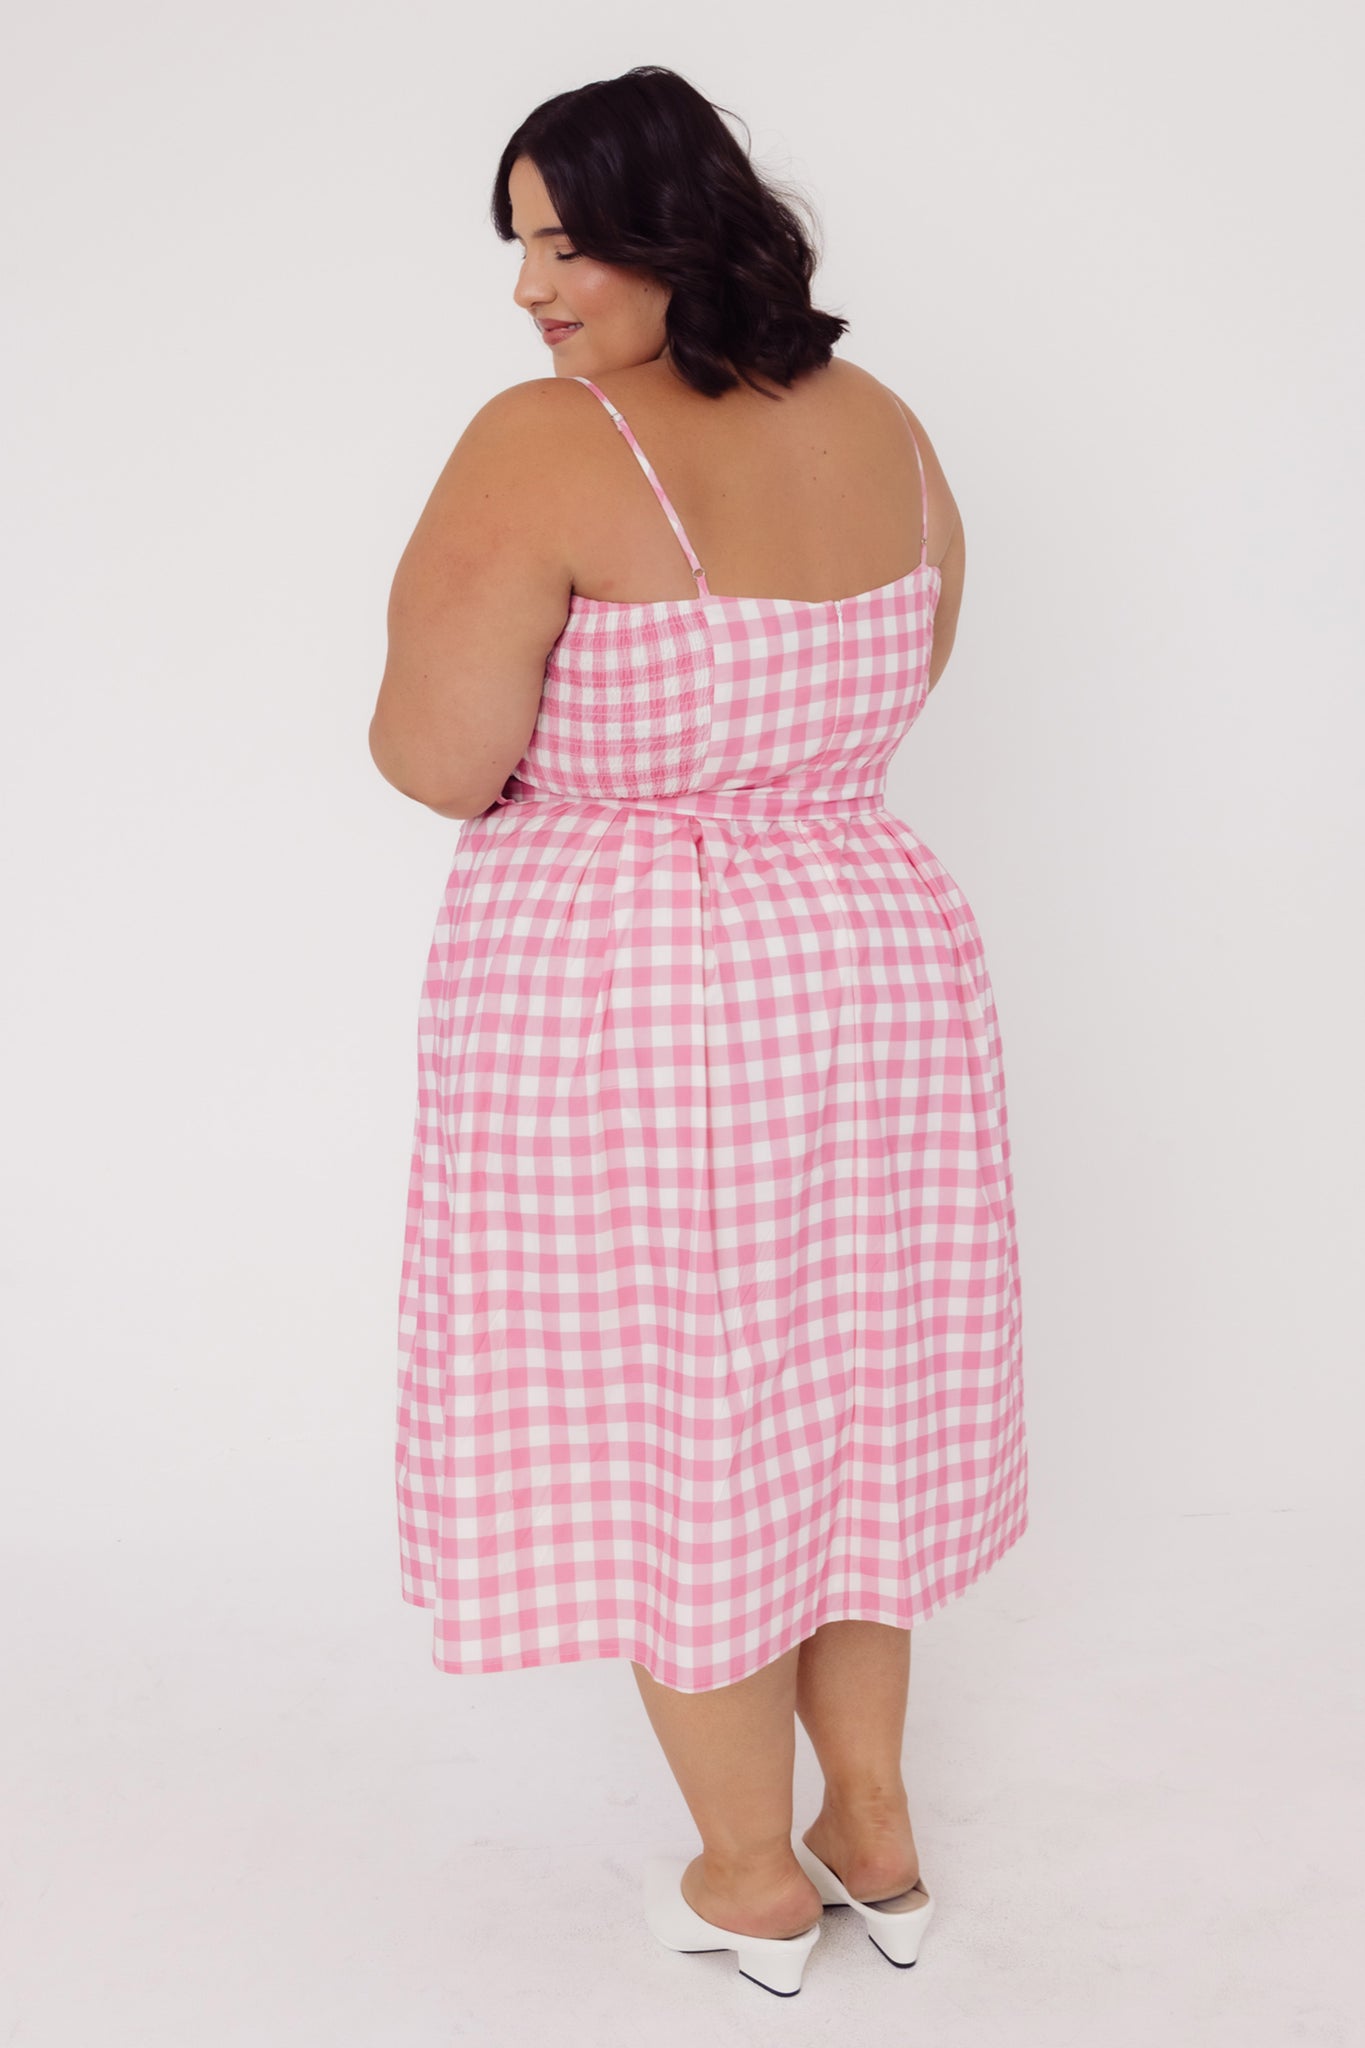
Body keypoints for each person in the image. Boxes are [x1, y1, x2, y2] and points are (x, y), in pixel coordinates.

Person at [368, 65, 1028, 1996]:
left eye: (565, 243)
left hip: (641, 993)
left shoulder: (543, 445)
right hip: (873, 959)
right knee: (852, 1399)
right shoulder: (885, 429)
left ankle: (748, 1875)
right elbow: (911, 662)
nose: (530, 292)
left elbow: (432, 756)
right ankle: (874, 1840)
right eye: (518, 246)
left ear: (675, 228)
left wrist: (600, 780)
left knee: (683, 1417)